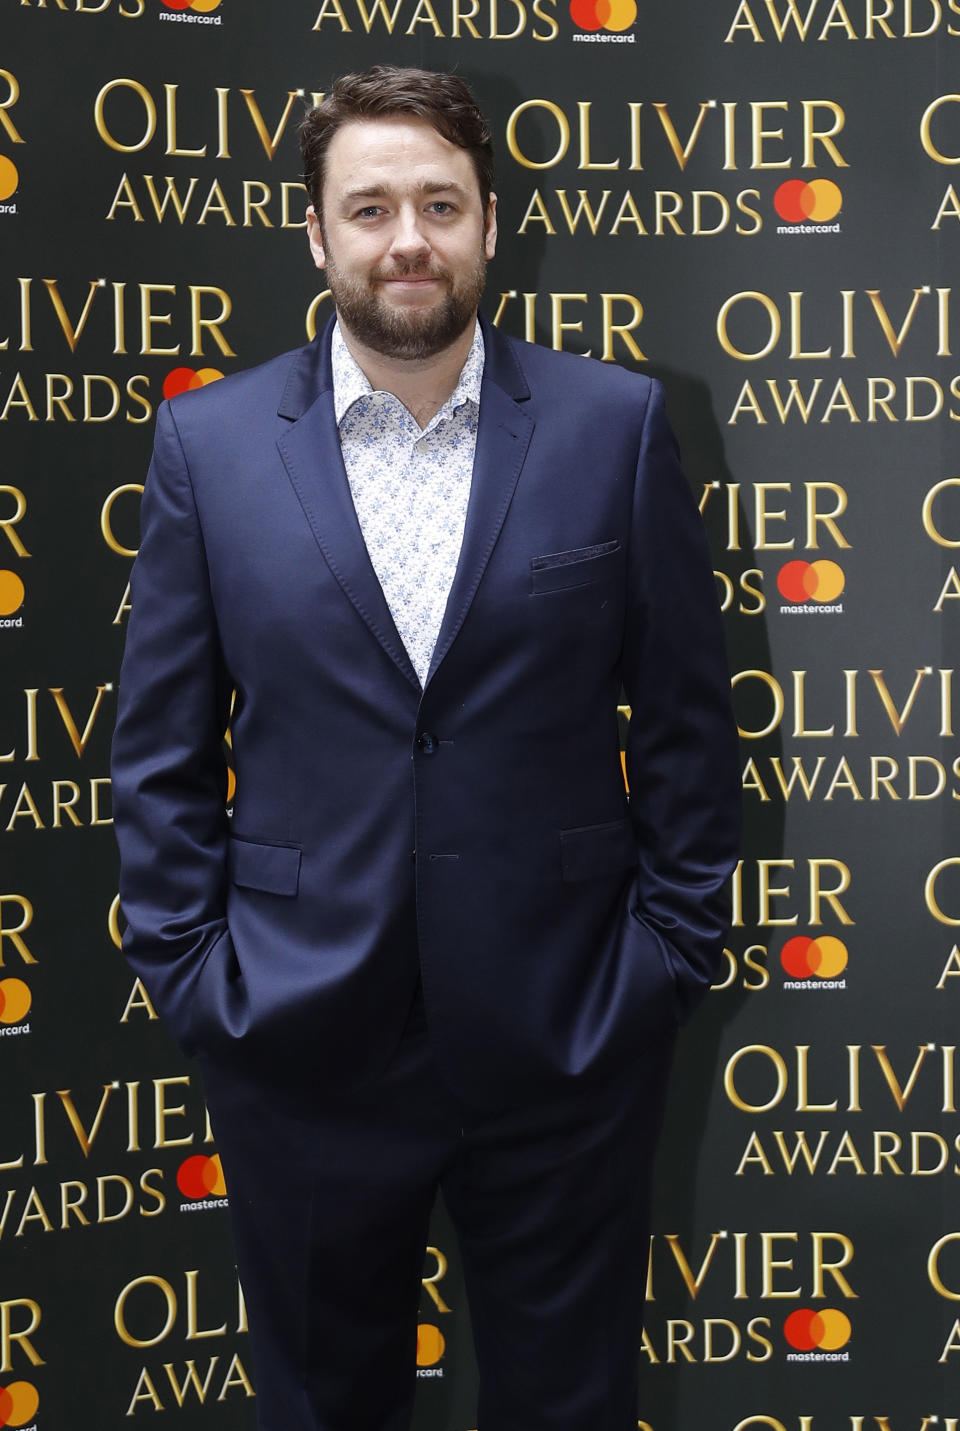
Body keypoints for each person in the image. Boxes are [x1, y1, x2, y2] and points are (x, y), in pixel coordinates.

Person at [111, 64, 740, 1431]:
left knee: (567, 1409)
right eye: (372, 206)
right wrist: (197, 978)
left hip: (567, 1037)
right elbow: (158, 752)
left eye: (441, 203)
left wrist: (663, 965)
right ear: (317, 234)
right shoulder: (208, 445)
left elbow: (690, 726)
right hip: (297, 1042)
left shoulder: (615, 426)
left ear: (491, 225)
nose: (409, 238)